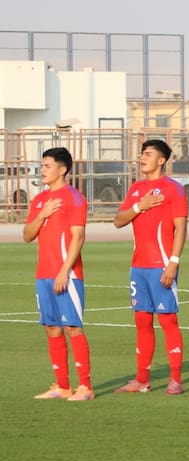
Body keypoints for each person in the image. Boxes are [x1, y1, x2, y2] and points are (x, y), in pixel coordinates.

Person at [113, 139, 187, 394]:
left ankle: (175, 378)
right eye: (141, 154)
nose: (142, 158)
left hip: (161, 266)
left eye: (148, 154)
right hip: (138, 267)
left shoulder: (173, 189)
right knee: (142, 322)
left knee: (168, 321)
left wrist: (173, 263)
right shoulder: (136, 189)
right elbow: (118, 220)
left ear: (162, 160)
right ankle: (142, 379)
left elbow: (181, 228)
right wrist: (138, 206)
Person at [24, 148, 94, 401]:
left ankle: (85, 387)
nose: (42, 170)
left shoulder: (74, 198)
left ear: (62, 169)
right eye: (41, 166)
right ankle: (62, 386)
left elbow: (78, 237)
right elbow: (27, 235)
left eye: (47, 166)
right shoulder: (39, 200)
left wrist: (64, 271)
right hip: (43, 273)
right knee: (52, 329)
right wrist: (41, 215)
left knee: (72, 328)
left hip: (67, 275)